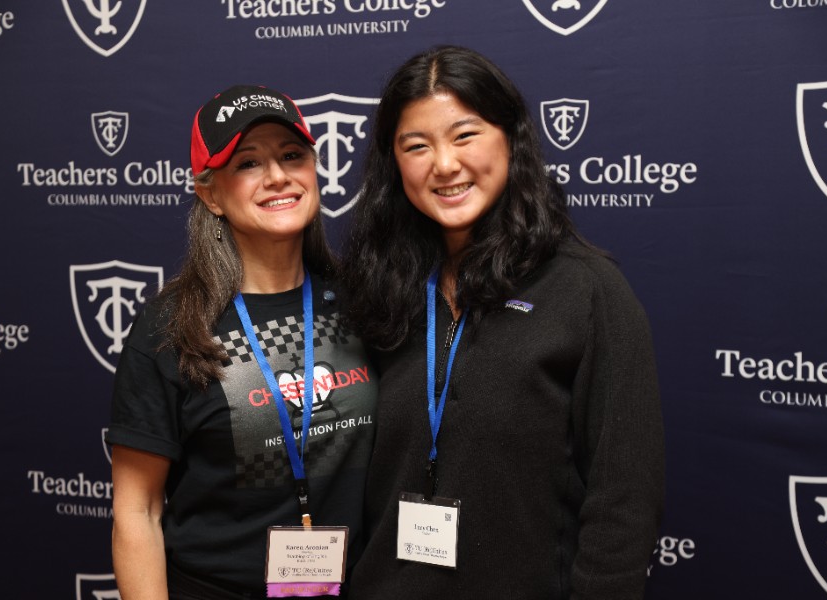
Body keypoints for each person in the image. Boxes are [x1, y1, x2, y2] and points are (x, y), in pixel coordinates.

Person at [340, 46, 664, 599]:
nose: (443, 164)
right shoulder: (377, 289)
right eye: (416, 146)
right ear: (394, 163)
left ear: (510, 138)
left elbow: (623, 501)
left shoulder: (587, 290)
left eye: (465, 135)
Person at [106, 85, 377, 599]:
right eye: (248, 163)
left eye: (292, 155)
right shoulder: (173, 326)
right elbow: (137, 511)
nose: (278, 176)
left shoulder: (363, 305)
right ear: (210, 194)